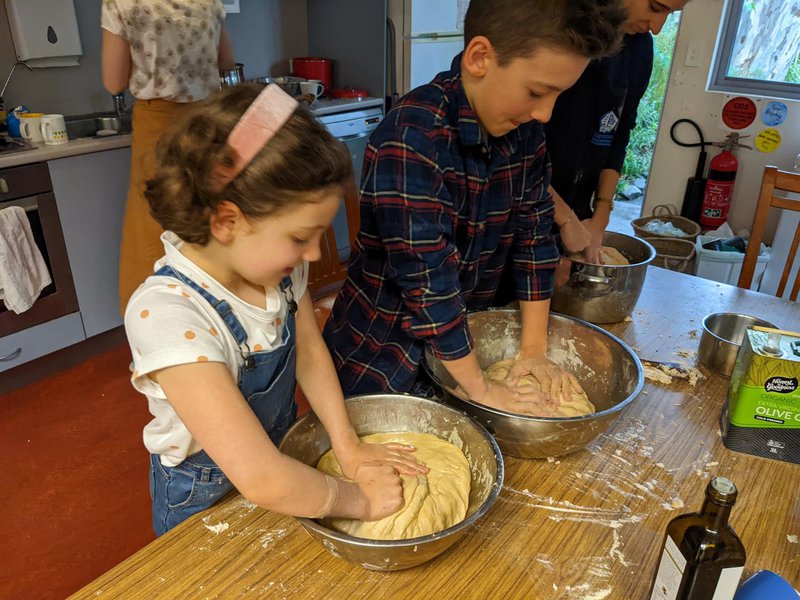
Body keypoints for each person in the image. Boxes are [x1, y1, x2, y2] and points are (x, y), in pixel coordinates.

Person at [125, 84, 426, 536]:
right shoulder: (169, 315)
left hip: (284, 470)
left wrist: (347, 446)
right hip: (206, 498)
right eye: (300, 237)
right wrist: (358, 501)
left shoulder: (277, 274)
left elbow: (308, 349)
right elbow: (261, 477)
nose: (312, 255)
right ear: (227, 221)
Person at [323, 0, 627, 415]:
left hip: (460, 348)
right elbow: (429, 283)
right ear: (480, 57)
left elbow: (535, 240)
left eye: (558, 95)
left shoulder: (525, 137)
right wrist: (481, 390)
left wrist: (533, 351)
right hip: (381, 358)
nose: (544, 112)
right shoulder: (412, 137)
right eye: (537, 92)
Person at [101, 0, 236, 313]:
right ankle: (220, 315)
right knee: (210, 216)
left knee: (152, 227)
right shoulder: (210, 1)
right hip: (207, 122)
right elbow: (226, 61)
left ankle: (158, 321)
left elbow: (114, 81)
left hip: (157, 124)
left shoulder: (121, 3)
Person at [546, 0, 688, 264]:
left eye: (672, 13)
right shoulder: (557, 30)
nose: (657, 28)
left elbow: (619, 132)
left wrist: (599, 216)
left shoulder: (639, 48)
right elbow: (520, 154)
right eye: (656, 8)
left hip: (578, 211)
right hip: (527, 208)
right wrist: (563, 219)